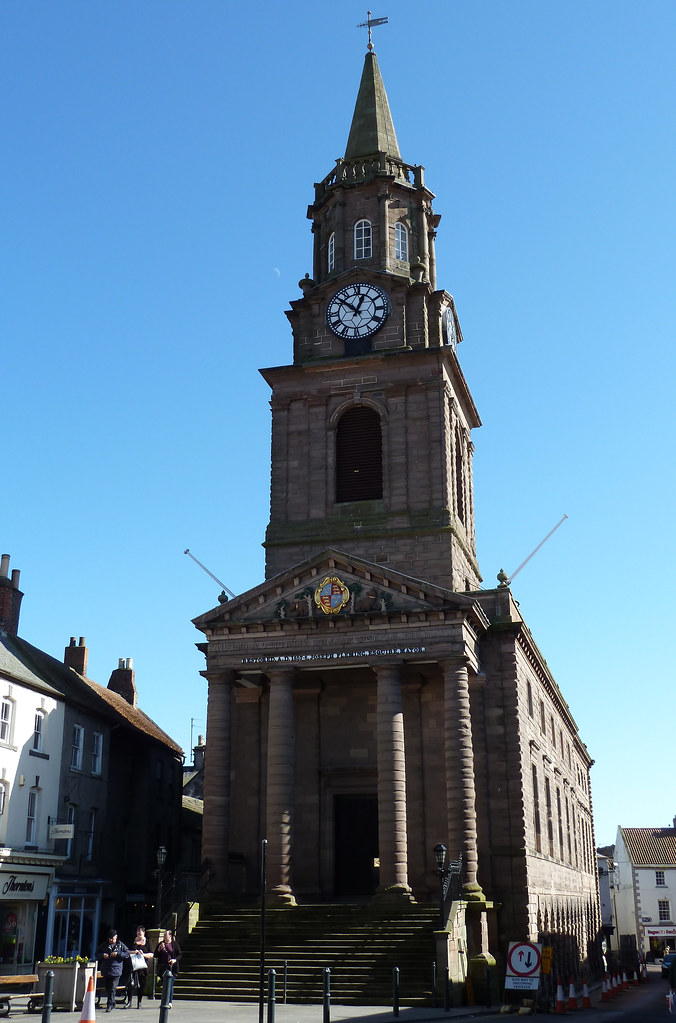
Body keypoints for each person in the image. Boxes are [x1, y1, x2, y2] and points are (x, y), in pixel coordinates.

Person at [97, 929, 130, 1012]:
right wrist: (102, 955)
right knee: (108, 988)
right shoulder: (104, 945)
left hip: (116, 970)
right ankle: (113, 1002)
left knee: (112, 988)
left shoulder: (120, 945)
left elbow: (127, 954)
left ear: (116, 937)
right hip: (106, 970)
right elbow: (97, 953)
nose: (111, 940)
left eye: (113, 938)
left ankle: (110, 1005)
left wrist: (118, 954)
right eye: (110, 938)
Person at [124, 925, 153, 1009]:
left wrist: (143, 954)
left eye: (141, 931)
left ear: (144, 933)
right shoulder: (133, 941)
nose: (139, 933)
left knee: (142, 985)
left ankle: (139, 1002)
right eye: (138, 931)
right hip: (133, 966)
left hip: (142, 967)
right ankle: (129, 1002)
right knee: (130, 984)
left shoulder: (147, 942)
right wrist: (134, 951)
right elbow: (127, 951)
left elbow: (151, 954)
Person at [154, 929, 181, 1007]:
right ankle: (164, 1001)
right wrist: (159, 949)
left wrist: (174, 960)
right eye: (164, 935)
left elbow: (179, 954)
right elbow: (155, 955)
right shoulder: (161, 944)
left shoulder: (174, 944)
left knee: (170, 984)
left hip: (172, 967)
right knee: (165, 985)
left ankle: (169, 1001)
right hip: (163, 967)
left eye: (166, 935)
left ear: (170, 936)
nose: (164, 937)